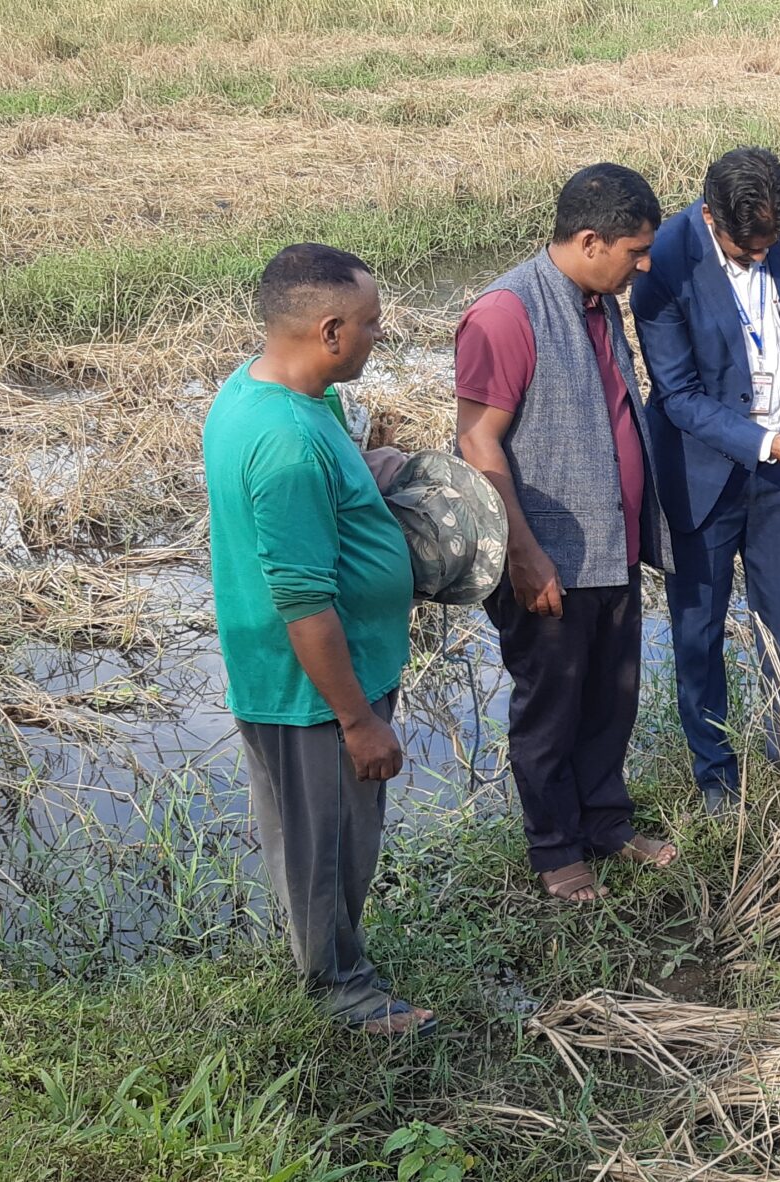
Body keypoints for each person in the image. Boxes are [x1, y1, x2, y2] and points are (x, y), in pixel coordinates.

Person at [201, 242, 431, 1035]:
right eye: (370, 325)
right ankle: (343, 994)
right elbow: (303, 600)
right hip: (313, 689)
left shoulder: (272, 394)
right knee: (326, 847)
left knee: (316, 837)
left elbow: (322, 498)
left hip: (316, 678)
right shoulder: (289, 445)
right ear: (330, 331)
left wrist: (374, 468)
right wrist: (358, 720)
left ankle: (331, 967)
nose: (378, 337)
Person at [454, 163, 679, 902]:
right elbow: (479, 443)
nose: (644, 265)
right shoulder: (505, 314)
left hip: (609, 545)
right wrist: (524, 553)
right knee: (550, 708)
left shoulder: (595, 297)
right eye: (634, 250)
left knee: (612, 697)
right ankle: (555, 850)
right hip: (548, 557)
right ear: (590, 240)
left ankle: (606, 823)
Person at [630, 147, 780, 816]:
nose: (761, 258)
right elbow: (677, 393)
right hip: (701, 472)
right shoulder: (663, 258)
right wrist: (765, 443)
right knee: (698, 635)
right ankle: (717, 777)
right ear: (708, 217)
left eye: (770, 246)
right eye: (745, 250)